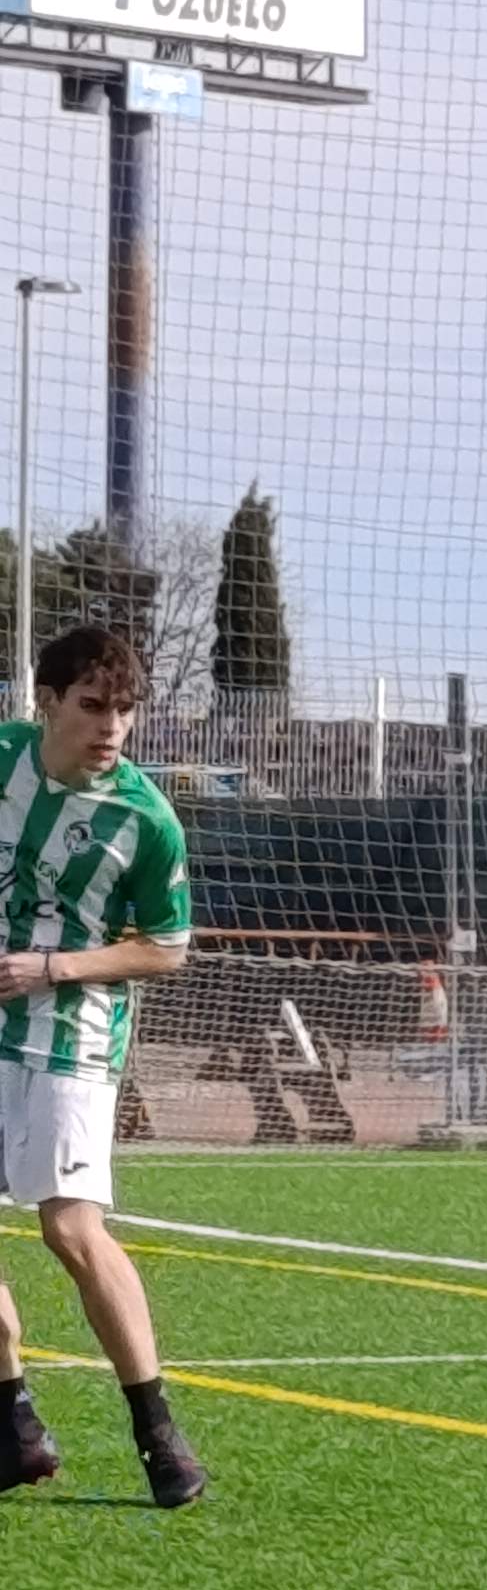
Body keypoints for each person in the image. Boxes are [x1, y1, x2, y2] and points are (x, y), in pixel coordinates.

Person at [1, 626, 208, 1510]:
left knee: (71, 1229)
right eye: (92, 706)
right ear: (46, 703)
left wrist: (53, 968)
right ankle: (14, 1420)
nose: (111, 726)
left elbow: (167, 947)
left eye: (124, 710)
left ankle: (158, 1433)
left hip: (72, 1033)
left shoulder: (146, 818)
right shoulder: (4, 759)